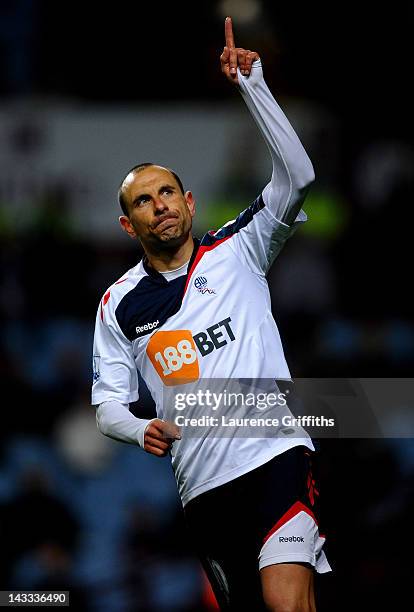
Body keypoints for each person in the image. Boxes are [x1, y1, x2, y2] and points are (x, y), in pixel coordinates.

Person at [92, 16, 331, 611]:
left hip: (274, 453)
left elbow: (299, 176)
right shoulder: (118, 303)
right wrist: (136, 427)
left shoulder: (240, 248)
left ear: (189, 201)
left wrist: (254, 86)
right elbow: (107, 403)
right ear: (129, 225)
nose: (159, 205)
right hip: (202, 485)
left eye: (167, 192)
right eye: (143, 201)